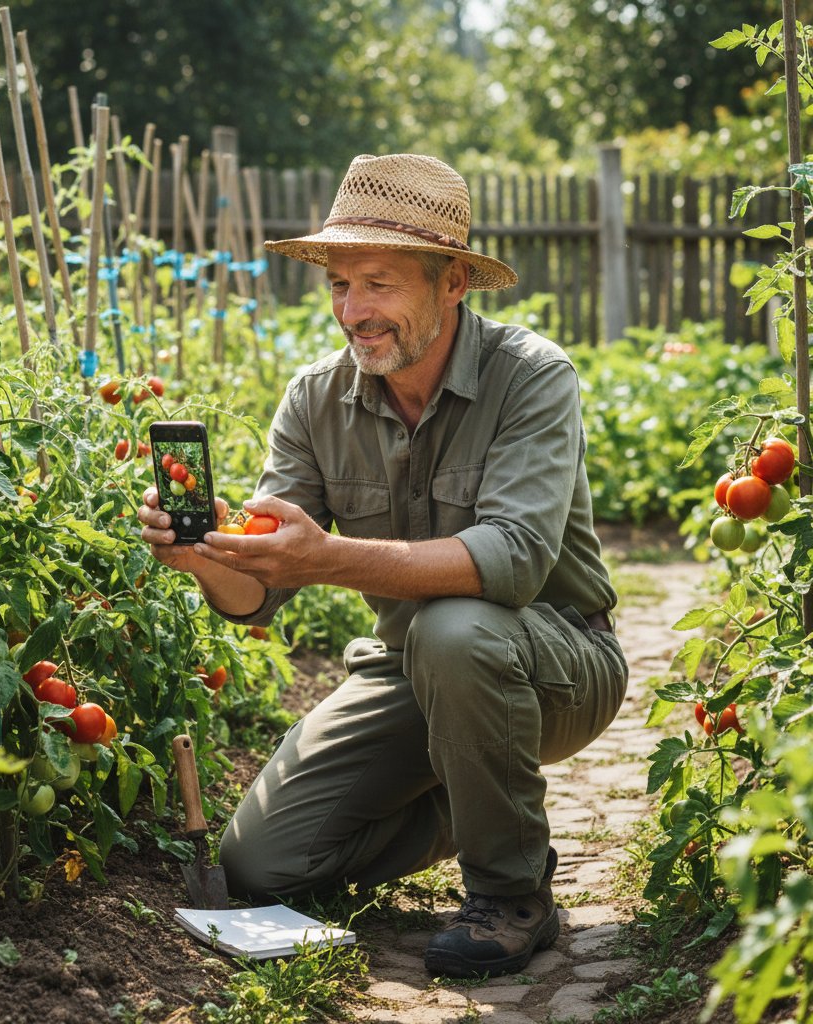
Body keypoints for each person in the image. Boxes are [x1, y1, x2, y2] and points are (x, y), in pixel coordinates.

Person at [138, 152, 628, 979]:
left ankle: (511, 891)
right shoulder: (315, 399)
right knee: (263, 865)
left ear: (452, 284)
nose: (353, 311)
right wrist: (205, 557)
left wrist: (328, 557)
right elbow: (258, 592)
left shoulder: (532, 378)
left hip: (557, 662)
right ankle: (477, 800)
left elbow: (510, 561)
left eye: (378, 283)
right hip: (410, 671)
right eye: (338, 285)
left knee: (457, 627)